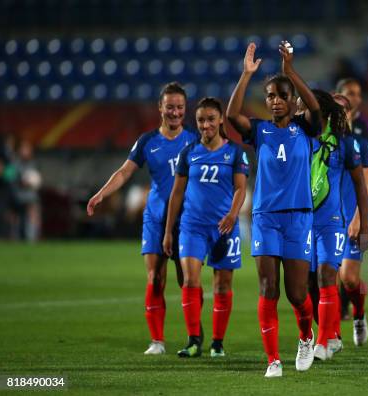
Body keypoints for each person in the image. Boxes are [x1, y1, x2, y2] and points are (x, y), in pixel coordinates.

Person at [227, 41, 322, 378]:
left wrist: (290, 72)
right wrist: (246, 74)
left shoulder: (306, 130)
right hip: (266, 218)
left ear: (292, 99)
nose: (276, 100)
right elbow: (230, 116)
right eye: (270, 96)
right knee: (269, 288)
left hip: (299, 218)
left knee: (298, 295)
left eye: (282, 95)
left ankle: (306, 337)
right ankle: (273, 360)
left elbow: (316, 110)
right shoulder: (260, 131)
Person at [87, 82, 199, 355]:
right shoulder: (148, 141)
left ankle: (194, 337)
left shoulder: (195, 140)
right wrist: (101, 194)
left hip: (186, 220)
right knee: (154, 277)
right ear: (160, 108)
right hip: (155, 218)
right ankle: (157, 341)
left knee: (187, 280)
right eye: (170, 107)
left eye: (180, 108)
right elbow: (125, 172)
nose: (174, 112)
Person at [163, 97, 249, 358]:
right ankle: (193, 340)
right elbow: (176, 194)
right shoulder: (188, 153)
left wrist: (233, 216)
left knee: (222, 284)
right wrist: (168, 230)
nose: (206, 125)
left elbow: (240, 188)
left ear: (221, 119)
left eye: (211, 119)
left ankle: (218, 343)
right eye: (201, 120)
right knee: (190, 279)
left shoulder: (235, 152)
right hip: (192, 226)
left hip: (224, 227)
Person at [303, 89, 368, 360]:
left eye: (345, 110)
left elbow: (366, 183)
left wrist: (361, 220)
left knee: (341, 277)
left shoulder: (350, 144)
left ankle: (353, 320)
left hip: (339, 220)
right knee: (310, 285)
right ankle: (332, 335)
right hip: (306, 221)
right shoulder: (305, 139)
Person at [335, 78, 368, 321]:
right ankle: (329, 335)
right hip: (328, 217)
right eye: (348, 94)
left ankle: (358, 313)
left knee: (349, 277)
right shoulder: (322, 141)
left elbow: (367, 179)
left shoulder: (365, 134)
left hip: (354, 211)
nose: (353, 99)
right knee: (326, 278)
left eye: (356, 94)